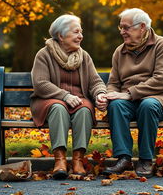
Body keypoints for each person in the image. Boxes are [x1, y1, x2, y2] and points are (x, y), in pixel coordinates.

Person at [30, 14, 107, 180]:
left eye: (81, 32)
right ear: (61, 36)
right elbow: (40, 83)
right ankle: (60, 160)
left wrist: (100, 93)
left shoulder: (83, 56)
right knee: (58, 108)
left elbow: (95, 82)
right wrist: (64, 95)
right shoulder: (44, 55)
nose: (81, 36)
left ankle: (78, 160)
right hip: (49, 100)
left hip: (79, 100)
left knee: (85, 110)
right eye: (76, 32)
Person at [103, 8, 163, 178]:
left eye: (126, 27)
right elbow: (114, 83)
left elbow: (162, 80)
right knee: (115, 105)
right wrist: (108, 96)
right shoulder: (119, 51)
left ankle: (145, 159)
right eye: (120, 27)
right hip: (129, 101)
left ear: (142, 27)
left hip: (158, 98)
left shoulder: (162, 45)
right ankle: (124, 158)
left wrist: (130, 93)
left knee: (147, 104)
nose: (122, 31)